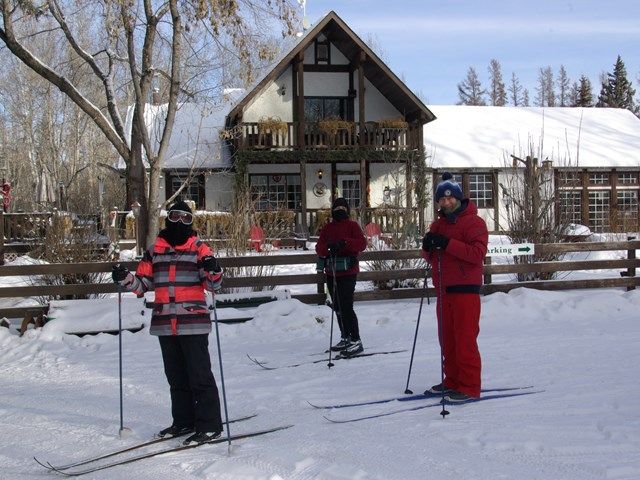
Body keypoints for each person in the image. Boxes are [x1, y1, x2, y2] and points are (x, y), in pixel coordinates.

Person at [112, 199, 225, 445]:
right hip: (165, 322)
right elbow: (142, 284)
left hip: (193, 321)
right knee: (176, 377)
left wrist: (214, 269)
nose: (180, 223)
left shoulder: (200, 249)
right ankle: (184, 420)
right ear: (167, 218)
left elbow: (214, 285)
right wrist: (125, 278)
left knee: (199, 375)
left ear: (191, 222)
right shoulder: (155, 251)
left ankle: (209, 425)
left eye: (186, 218)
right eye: (175, 216)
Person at [421, 172, 488, 402]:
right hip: (444, 289)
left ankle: (469, 387)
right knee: (447, 340)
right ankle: (452, 380)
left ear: (458, 198)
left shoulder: (474, 222)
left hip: (465, 290)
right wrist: (427, 245)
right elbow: (431, 257)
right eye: (442, 199)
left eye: (450, 198)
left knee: (465, 340)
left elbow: (477, 254)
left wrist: (447, 244)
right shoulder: (438, 225)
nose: (446, 202)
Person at [316, 197, 367, 357]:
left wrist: (345, 243)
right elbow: (319, 248)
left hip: (348, 272)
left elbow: (362, 244)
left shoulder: (352, 226)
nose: (339, 212)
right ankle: (345, 336)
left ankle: (355, 339)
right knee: (337, 306)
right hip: (332, 272)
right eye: (336, 209)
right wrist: (329, 247)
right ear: (332, 211)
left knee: (346, 305)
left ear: (347, 211)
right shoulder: (327, 228)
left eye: (342, 209)